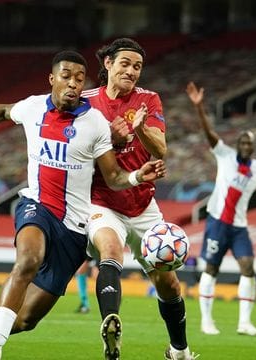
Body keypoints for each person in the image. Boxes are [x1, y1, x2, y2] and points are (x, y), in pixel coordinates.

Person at [0, 50, 166, 360]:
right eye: (66, 76)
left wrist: (137, 176)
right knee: (28, 260)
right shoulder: (33, 108)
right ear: (52, 79)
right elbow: (1, 111)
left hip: (73, 228)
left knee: (26, 320)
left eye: (78, 79)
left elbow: (113, 177)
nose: (73, 84)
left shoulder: (96, 124)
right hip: (37, 207)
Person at [82, 38, 197, 360]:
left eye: (137, 66)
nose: (131, 71)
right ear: (108, 64)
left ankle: (179, 350)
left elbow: (160, 148)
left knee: (169, 285)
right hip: (101, 200)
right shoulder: (86, 103)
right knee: (110, 249)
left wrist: (142, 126)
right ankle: (110, 321)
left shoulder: (148, 99)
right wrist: (111, 139)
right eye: (125, 64)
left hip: (143, 205)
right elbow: (75, 156)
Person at [185, 81, 256, 336]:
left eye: (248, 143)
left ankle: (244, 323)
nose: (245, 145)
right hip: (217, 222)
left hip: (239, 227)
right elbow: (208, 133)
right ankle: (206, 321)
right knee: (211, 269)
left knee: (248, 267)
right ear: (238, 143)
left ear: (252, 148)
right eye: (242, 141)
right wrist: (199, 108)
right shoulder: (224, 155)